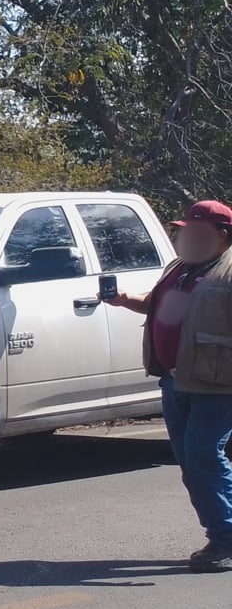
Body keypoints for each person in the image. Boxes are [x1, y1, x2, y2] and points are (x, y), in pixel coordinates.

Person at [102, 199, 232, 572]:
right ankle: (221, 533)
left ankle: (226, 537)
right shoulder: (180, 268)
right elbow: (162, 307)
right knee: (191, 461)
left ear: (221, 236)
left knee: (204, 454)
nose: (184, 237)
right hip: (176, 379)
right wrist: (124, 299)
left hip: (218, 383)